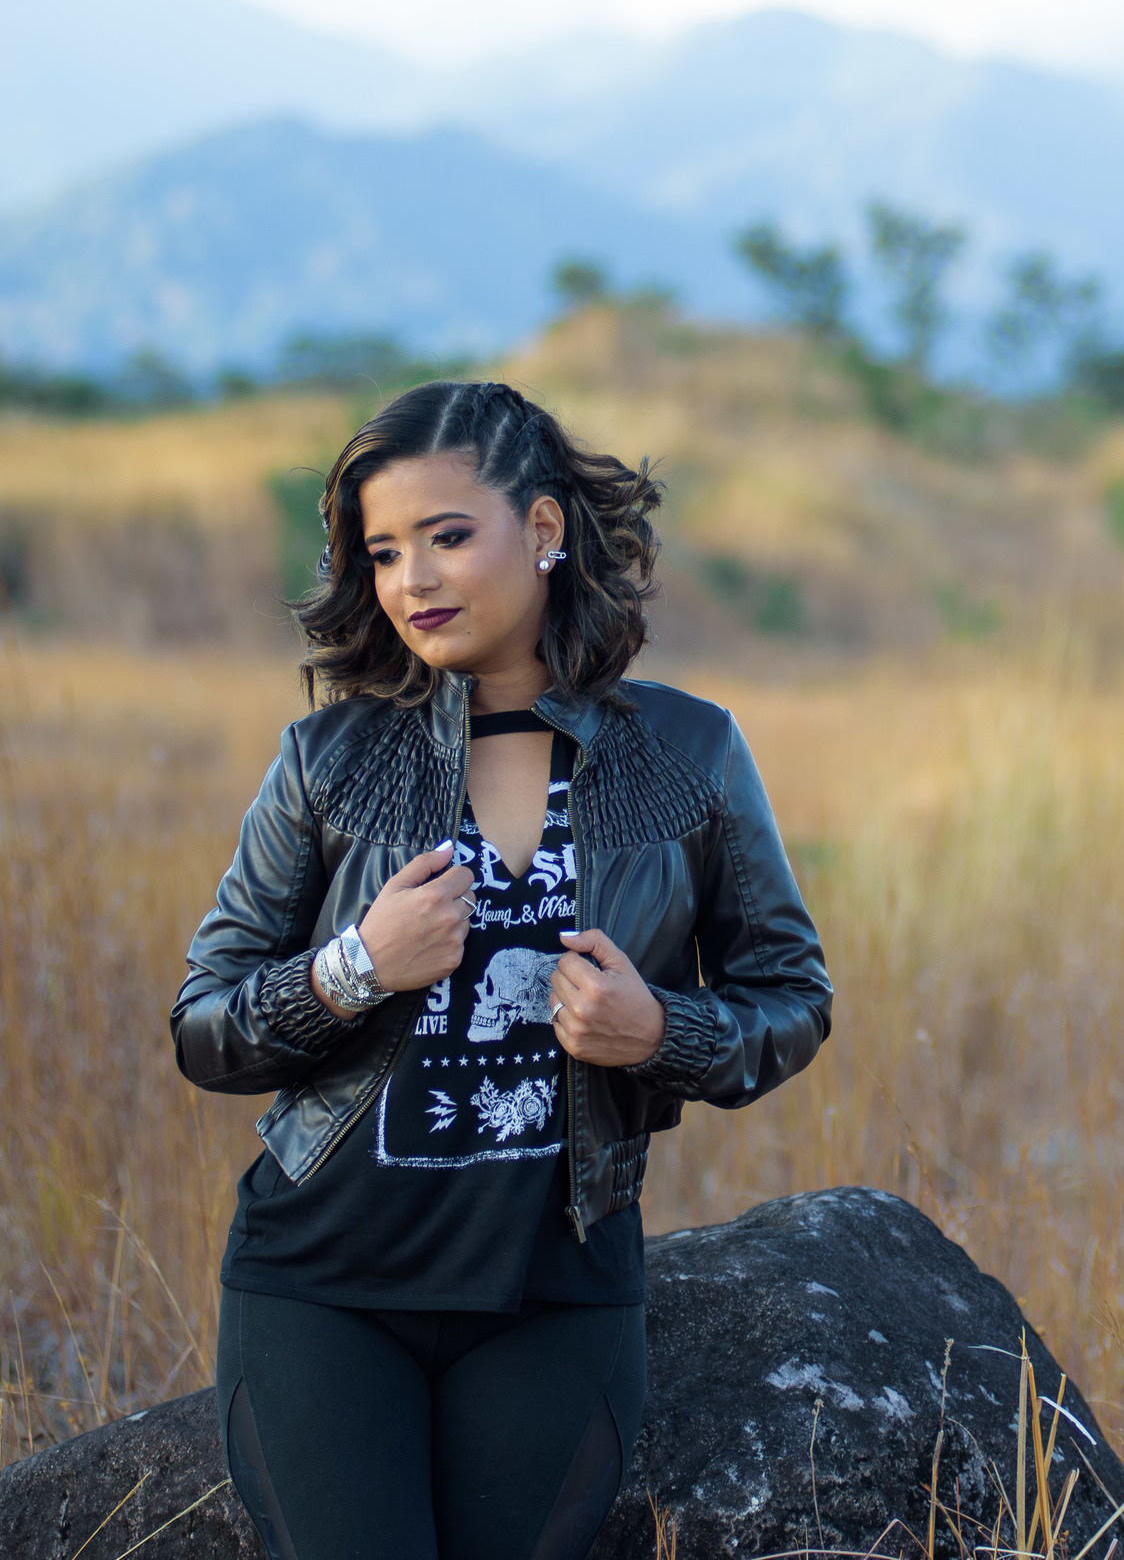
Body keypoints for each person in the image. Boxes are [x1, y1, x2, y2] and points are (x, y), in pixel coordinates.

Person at [171, 380, 833, 1560]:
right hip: (322, 1287)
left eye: (446, 536)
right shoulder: (328, 760)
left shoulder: (685, 753)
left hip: (556, 1292)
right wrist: (354, 967)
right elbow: (204, 1028)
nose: (412, 580)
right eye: (382, 552)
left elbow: (790, 998)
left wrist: (660, 1032)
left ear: (542, 529)